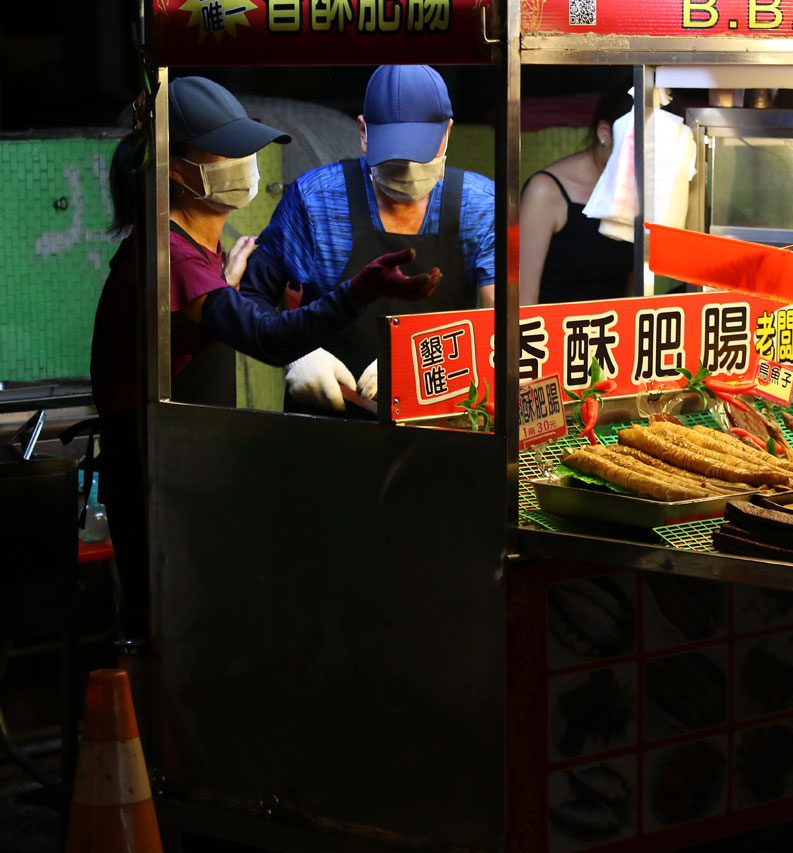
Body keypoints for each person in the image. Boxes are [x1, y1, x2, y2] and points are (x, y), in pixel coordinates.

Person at [91, 76, 439, 637]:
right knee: (178, 636)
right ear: (177, 170)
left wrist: (226, 287)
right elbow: (270, 338)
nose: (245, 163)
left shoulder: (194, 253)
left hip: (187, 469)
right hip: (160, 481)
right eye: (227, 152)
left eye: (246, 147)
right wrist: (361, 289)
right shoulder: (172, 259)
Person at [240, 64, 496, 416]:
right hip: (327, 416)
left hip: (444, 416)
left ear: (447, 132)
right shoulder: (315, 199)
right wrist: (295, 353)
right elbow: (251, 297)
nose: (408, 168)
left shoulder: (480, 205)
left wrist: (421, 363)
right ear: (363, 132)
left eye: (420, 152)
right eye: (393, 157)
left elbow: (500, 320)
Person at [519, 90, 634, 304]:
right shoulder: (545, 191)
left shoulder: (639, 189)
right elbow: (523, 298)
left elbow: (633, 289)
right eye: (634, 145)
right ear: (605, 133)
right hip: (555, 323)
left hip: (614, 322)